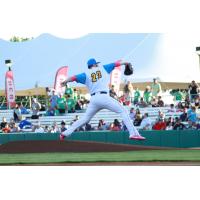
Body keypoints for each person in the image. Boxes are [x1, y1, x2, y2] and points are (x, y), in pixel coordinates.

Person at [60, 58, 145, 140]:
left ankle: (65, 133)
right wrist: (126, 63)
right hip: (104, 97)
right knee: (123, 111)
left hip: (94, 99)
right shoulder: (103, 68)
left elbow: (73, 77)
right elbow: (117, 63)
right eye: (96, 64)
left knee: (85, 119)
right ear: (94, 65)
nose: (97, 65)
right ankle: (133, 134)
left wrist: (65, 82)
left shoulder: (85, 74)